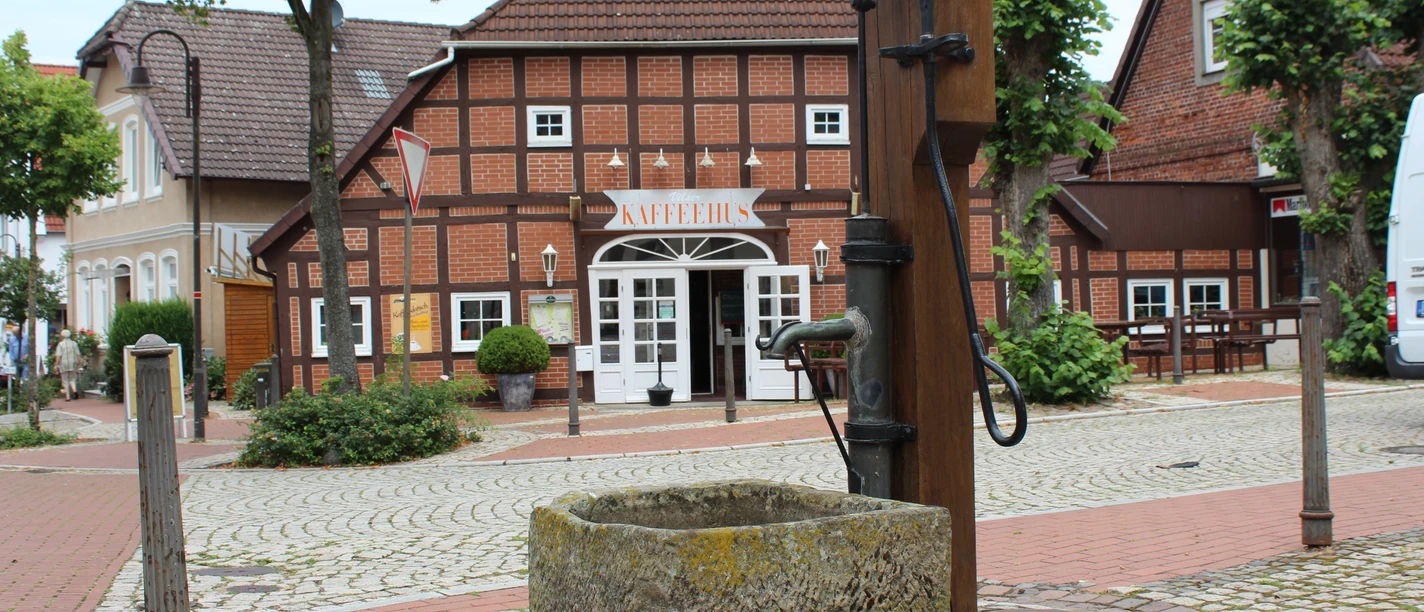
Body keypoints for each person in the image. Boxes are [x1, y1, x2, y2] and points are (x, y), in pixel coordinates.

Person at [55, 329, 82, 401]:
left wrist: (56, 365)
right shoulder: (74, 344)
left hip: (63, 363)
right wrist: (79, 364)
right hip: (73, 363)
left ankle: (67, 396)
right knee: (72, 379)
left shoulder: (61, 344)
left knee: (65, 380)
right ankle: (74, 390)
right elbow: (78, 354)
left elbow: (58, 355)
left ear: (62, 336)